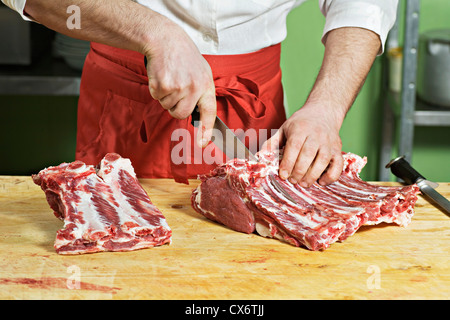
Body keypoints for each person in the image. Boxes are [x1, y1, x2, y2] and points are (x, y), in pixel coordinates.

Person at [2, 0, 397, 186]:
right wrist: (155, 32)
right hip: (130, 94)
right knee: (124, 262)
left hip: (253, 98)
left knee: (255, 263)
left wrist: (326, 108)